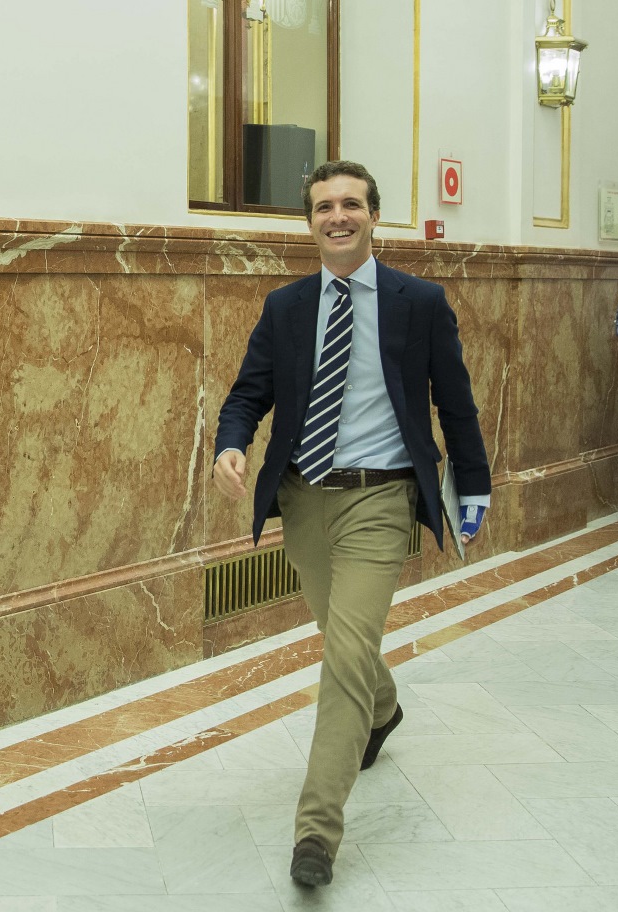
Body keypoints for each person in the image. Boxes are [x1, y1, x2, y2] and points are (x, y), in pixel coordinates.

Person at [212, 160, 490, 887]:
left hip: (381, 499)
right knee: (343, 637)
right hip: (303, 499)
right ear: (309, 223)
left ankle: (317, 833)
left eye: (352, 205)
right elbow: (249, 393)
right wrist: (232, 443)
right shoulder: (286, 307)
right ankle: (385, 708)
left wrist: (476, 485)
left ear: (374, 216)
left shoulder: (418, 302)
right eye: (324, 207)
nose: (339, 216)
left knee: (342, 658)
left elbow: (454, 402)